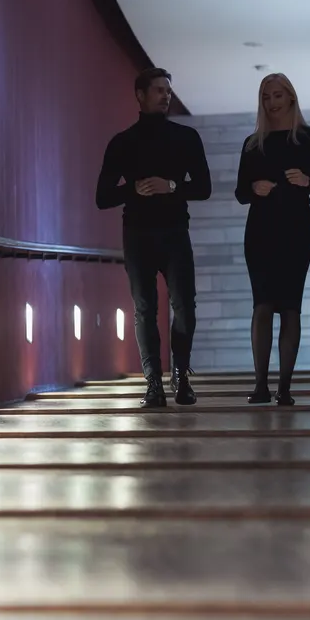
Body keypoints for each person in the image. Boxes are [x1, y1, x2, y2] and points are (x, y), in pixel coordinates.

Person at [97, 67, 212, 407]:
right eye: (159, 90)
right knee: (145, 308)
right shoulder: (122, 142)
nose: (166, 96)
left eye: (168, 90)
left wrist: (172, 186)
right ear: (141, 95)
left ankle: (181, 376)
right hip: (137, 234)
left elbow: (204, 188)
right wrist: (134, 188)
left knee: (185, 307)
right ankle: (153, 385)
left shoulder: (186, 138)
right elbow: (102, 197)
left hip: (176, 231)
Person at [234, 72, 310, 405]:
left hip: (296, 231)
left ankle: (285, 388)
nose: (272, 102)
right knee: (261, 305)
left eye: (277, 95)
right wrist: (253, 189)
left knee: (290, 307)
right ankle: (260, 385)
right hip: (259, 231)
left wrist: (306, 180)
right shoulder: (252, 143)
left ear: (290, 97)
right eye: (266, 97)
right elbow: (240, 193)